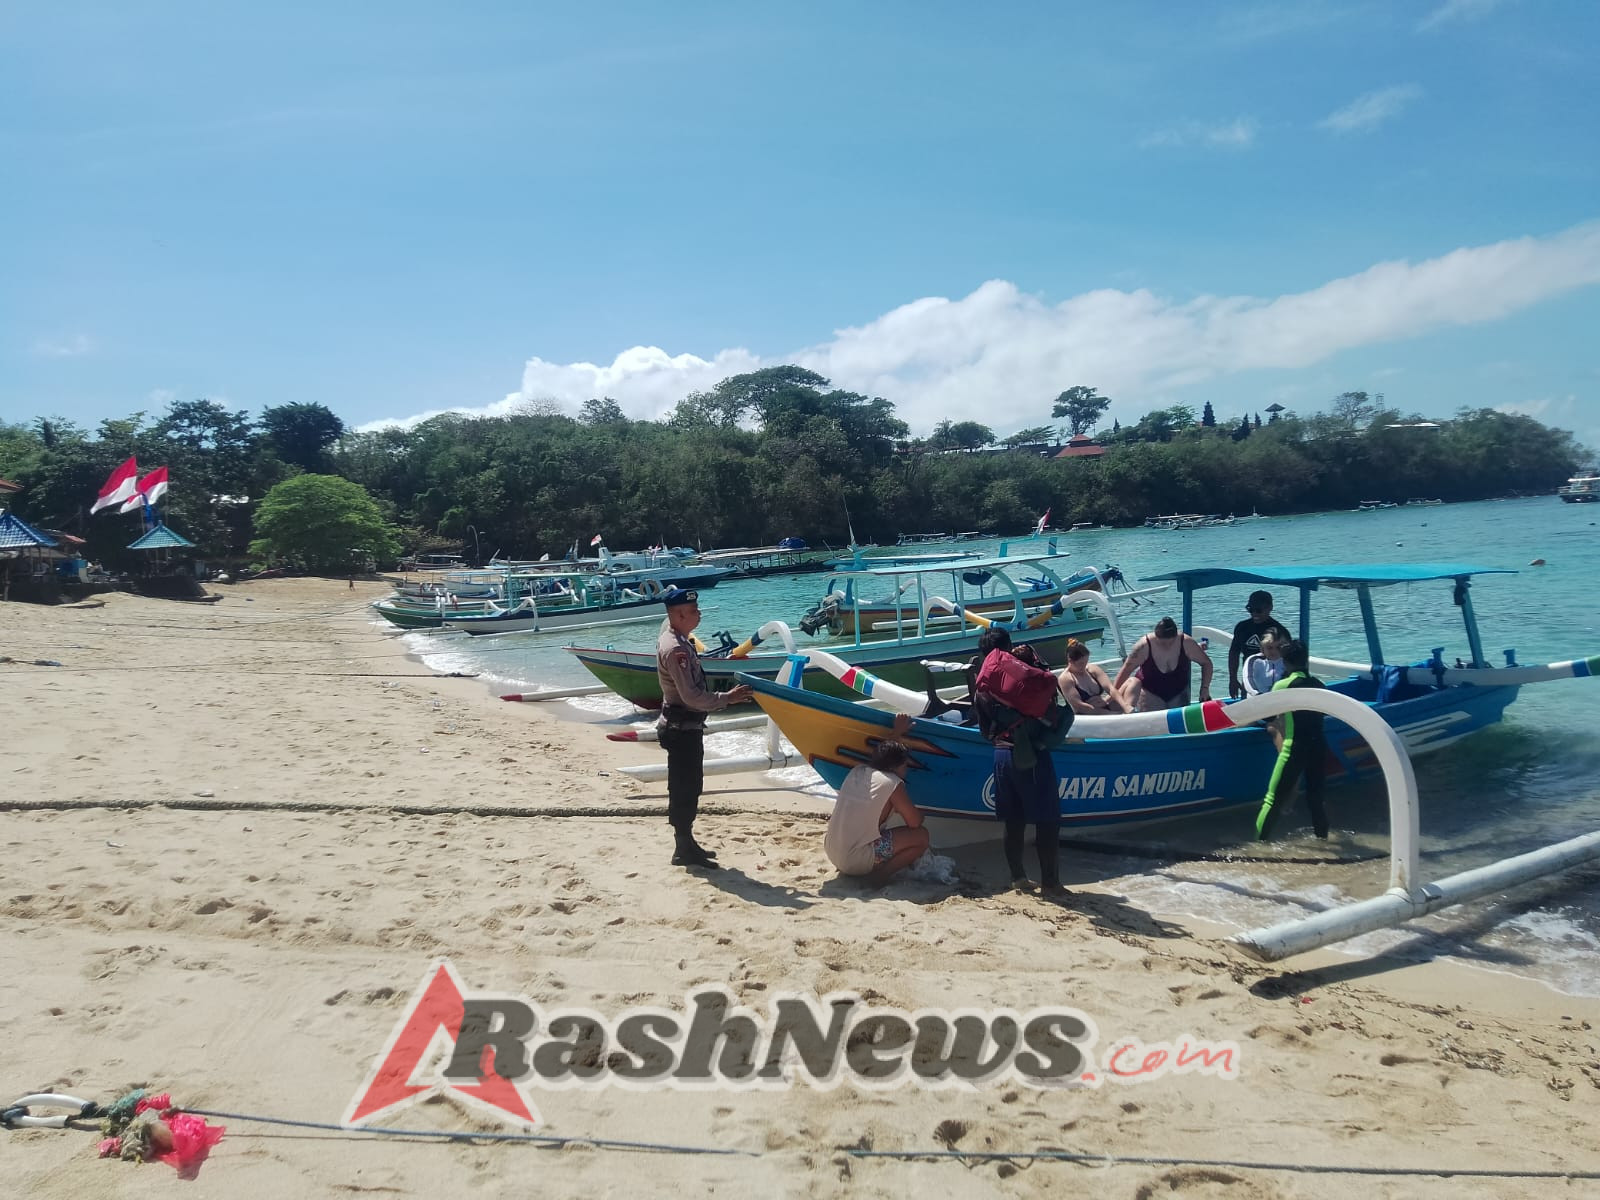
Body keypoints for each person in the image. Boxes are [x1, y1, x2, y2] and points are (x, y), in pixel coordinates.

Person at [656, 587, 753, 867]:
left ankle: (686, 843)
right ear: (679, 615)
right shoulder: (676, 648)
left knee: (689, 786)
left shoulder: (677, 640)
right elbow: (691, 696)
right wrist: (727, 698)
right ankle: (682, 848)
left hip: (684, 725)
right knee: (684, 788)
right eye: (694, 611)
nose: (699, 614)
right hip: (681, 727)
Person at [974, 629, 1066, 896]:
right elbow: (1050, 711)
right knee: (1048, 820)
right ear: (1008, 647)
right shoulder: (1021, 678)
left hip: (1001, 756)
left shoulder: (982, 685)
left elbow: (985, 731)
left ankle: (1018, 879)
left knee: (1014, 820)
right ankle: (1051, 884)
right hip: (1029, 756)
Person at [823, 713, 930, 886]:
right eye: (905, 765)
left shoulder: (858, 771)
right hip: (855, 861)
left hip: (832, 852)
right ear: (897, 766)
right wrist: (921, 812)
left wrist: (897, 732)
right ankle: (879, 877)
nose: (907, 770)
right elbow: (914, 823)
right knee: (921, 836)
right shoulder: (893, 783)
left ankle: (872, 868)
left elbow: (882, 755)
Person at [1254, 639, 1329, 840]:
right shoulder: (1319, 685)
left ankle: (1259, 846)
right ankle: (1322, 841)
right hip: (1319, 747)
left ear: (1285, 662)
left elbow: (1269, 716)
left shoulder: (1282, 686)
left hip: (1294, 748)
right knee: (1316, 799)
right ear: (1306, 660)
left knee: (1272, 800)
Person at [1113, 617, 1214, 712]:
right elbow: (1126, 670)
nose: (1167, 646)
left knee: (1177, 720)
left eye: (1170, 643)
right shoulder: (1144, 645)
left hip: (1179, 692)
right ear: (1156, 636)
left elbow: (1206, 663)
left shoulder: (1186, 643)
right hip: (1150, 692)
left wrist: (1204, 688)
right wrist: (1112, 696)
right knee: (1152, 719)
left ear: (1176, 636)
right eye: (1162, 643)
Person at [1228, 590, 1294, 699]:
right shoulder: (1242, 627)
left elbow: (1290, 659)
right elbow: (1234, 653)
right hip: (1249, 677)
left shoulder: (1279, 631)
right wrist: (1232, 679)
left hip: (1276, 678)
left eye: (1258, 610)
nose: (1254, 613)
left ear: (1270, 608)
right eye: (1250, 609)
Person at [1057, 638, 1129, 715]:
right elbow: (1079, 706)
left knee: (1132, 682)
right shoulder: (1065, 678)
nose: (1084, 666)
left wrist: (1125, 706)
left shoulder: (1092, 669)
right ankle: (1124, 716)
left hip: (1104, 705)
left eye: (1086, 662)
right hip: (1087, 714)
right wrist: (1112, 714)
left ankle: (1129, 711)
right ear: (1070, 661)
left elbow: (1110, 689)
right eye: (1081, 663)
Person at [1242, 630, 1285, 696]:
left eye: (1278, 648)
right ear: (1262, 648)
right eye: (1269, 648)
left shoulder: (1288, 661)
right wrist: (1257, 694)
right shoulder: (1254, 660)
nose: (1274, 651)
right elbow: (1248, 680)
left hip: (1281, 699)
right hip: (1256, 698)